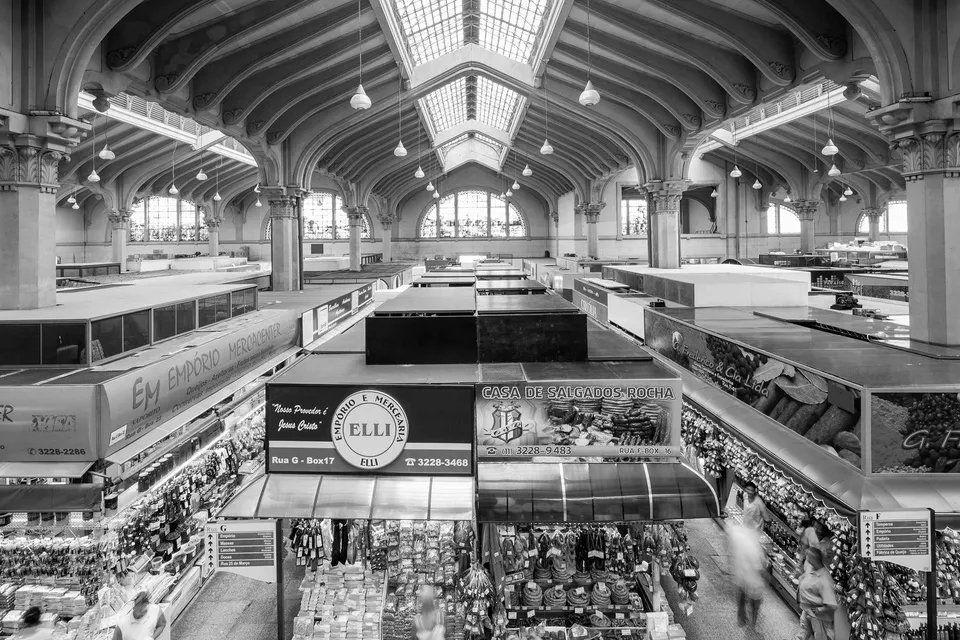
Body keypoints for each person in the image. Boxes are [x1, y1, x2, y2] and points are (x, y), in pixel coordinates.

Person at [727, 522, 767, 629]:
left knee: (741, 595)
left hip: (741, 574)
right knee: (754, 600)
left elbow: (731, 549)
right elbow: (759, 567)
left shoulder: (737, 534)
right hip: (752, 579)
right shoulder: (753, 547)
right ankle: (752, 620)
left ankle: (742, 616)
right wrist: (765, 575)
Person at [795, 548, 837, 640]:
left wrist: (818, 610)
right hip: (807, 612)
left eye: (807, 558)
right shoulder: (811, 567)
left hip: (819, 618)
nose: (806, 559)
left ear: (813, 559)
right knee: (802, 635)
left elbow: (832, 605)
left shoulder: (825, 579)